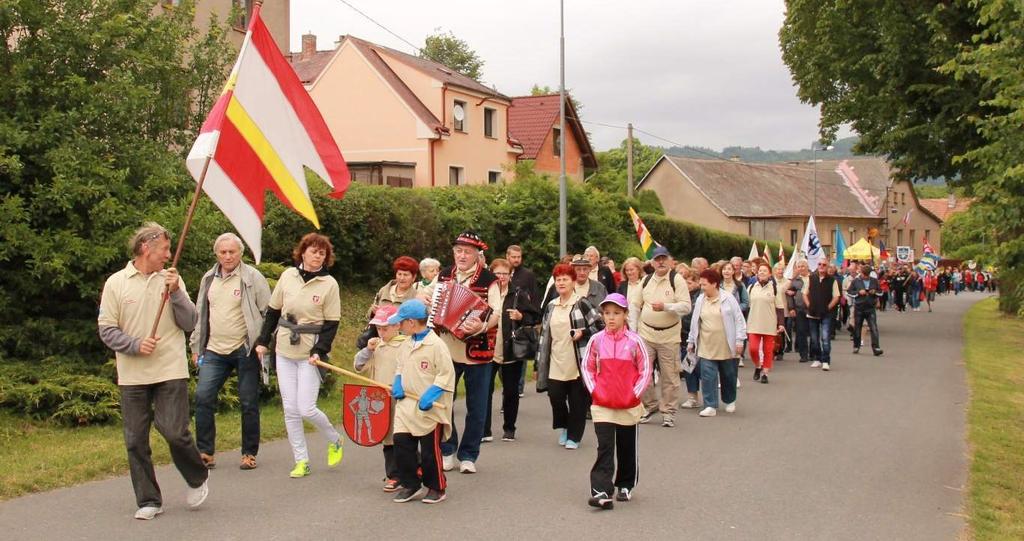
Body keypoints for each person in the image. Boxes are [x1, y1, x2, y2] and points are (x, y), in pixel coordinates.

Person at [97, 223, 208, 520]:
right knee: (135, 440)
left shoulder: (172, 280)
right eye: (165, 250)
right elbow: (106, 330)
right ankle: (149, 500)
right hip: (132, 374)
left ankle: (197, 477)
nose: (169, 256)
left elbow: (190, 322)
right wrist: (134, 344)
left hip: (170, 368)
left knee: (173, 430)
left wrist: (175, 293)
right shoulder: (116, 283)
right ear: (146, 248)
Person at [255, 233, 344, 478]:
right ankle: (301, 460)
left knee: (306, 408)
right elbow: (273, 312)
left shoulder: (329, 284)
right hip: (284, 348)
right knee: (290, 410)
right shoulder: (288, 276)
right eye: (314, 251)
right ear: (303, 252)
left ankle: (334, 439)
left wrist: (319, 350)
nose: (318, 256)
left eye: (322, 253)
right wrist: (263, 340)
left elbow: (331, 323)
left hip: (309, 352)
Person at [190, 232, 271, 471]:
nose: (227, 256)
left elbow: (269, 312)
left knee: (248, 402)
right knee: (203, 398)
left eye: (232, 252)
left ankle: (249, 453)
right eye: (223, 252)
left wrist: (262, 343)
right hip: (214, 350)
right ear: (216, 254)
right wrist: (196, 347)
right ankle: (205, 452)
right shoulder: (208, 279)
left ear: (240, 253)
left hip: (244, 349)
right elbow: (199, 315)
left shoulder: (252, 277)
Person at [425, 231, 500, 474]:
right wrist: (429, 303)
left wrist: (482, 326)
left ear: (478, 255)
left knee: (477, 407)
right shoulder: (445, 274)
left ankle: (469, 455)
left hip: (477, 351)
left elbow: (496, 312)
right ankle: (448, 449)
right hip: (446, 348)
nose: (462, 255)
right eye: (458, 250)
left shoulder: (489, 279)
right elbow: (432, 300)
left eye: (467, 251)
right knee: (443, 402)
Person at [581, 293, 652, 510]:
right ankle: (601, 490)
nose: (611, 318)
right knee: (604, 447)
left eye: (617, 313)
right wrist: (596, 391)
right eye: (607, 313)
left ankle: (625, 483)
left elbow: (645, 369)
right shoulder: (596, 340)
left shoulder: (635, 341)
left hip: (628, 404)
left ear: (625, 315)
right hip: (603, 403)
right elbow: (587, 367)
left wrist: (635, 393)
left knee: (626, 445)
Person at [388, 299, 455, 504]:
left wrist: (432, 393)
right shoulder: (406, 343)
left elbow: (446, 374)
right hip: (406, 405)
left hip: (428, 407)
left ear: (411, 322)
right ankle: (410, 483)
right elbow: (400, 366)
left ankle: (436, 486)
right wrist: (398, 381)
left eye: (400, 322)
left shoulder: (436, 345)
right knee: (401, 443)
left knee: (429, 451)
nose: (398, 326)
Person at [536, 263, 604, 449]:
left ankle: (574, 436)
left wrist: (583, 332)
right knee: (555, 397)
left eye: (565, 279)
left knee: (577, 402)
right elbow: (544, 336)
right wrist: (539, 362)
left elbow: (599, 327)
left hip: (578, 361)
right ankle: (564, 426)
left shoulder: (582, 303)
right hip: (556, 360)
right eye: (558, 280)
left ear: (573, 282)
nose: (561, 283)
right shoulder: (551, 306)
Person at [631, 246, 690, 428]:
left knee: (670, 376)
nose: (661, 262)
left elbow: (686, 307)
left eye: (664, 258)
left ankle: (668, 411)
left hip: (669, 335)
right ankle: (650, 406)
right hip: (646, 334)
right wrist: (633, 333)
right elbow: (634, 305)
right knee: (643, 374)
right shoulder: (646, 280)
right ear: (652, 262)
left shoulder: (676, 280)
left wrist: (666, 307)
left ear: (670, 261)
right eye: (657, 259)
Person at [483, 258, 540, 442]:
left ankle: (509, 428)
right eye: (497, 273)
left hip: (511, 350)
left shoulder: (518, 294)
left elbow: (534, 315)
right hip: (487, 349)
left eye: (505, 274)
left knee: (510, 391)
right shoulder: (485, 294)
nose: (501, 277)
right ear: (491, 274)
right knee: (485, 390)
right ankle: (485, 430)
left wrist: (521, 315)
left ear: (510, 275)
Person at [353, 304, 407, 491]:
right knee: (387, 437)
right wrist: (367, 350)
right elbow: (358, 366)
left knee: (402, 437)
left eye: (385, 328)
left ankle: (413, 469)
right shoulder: (376, 347)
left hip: (400, 399)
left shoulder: (405, 345)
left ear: (397, 326)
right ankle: (393, 475)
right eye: (378, 328)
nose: (381, 332)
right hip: (380, 400)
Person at [687, 269, 746, 417]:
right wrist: (691, 340)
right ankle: (710, 405)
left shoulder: (728, 299)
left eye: (704, 284)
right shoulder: (700, 299)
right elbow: (695, 321)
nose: (702, 287)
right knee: (708, 376)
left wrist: (739, 340)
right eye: (700, 284)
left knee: (728, 374)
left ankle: (730, 400)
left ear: (714, 284)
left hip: (726, 344)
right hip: (707, 344)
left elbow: (739, 320)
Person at [506, 244, 541, 397]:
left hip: (521, 322)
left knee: (519, 354)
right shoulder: (501, 273)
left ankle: (517, 389)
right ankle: (510, 391)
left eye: (519, 257)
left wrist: (530, 319)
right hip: (504, 322)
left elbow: (534, 299)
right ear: (507, 256)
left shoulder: (528, 275)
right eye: (513, 257)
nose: (516, 260)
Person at [746, 262, 785, 384]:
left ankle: (765, 373)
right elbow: (746, 305)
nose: (762, 272)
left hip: (769, 324)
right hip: (753, 323)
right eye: (760, 271)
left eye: (764, 271)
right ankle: (758, 365)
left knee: (768, 350)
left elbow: (779, 307)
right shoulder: (752, 287)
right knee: (753, 349)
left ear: (769, 274)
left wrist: (781, 323)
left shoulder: (774, 288)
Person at [802, 260, 840, 371]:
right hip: (812, 313)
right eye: (819, 264)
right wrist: (809, 305)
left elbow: (836, 296)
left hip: (826, 314)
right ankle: (817, 358)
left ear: (828, 267)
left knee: (825, 338)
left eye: (824, 265)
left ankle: (826, 360)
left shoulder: (832, 280)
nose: (821, 266)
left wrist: (827, 307)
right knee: (814, 338)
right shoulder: (811, 278)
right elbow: (804, 293)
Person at [368, 256, 422, 320]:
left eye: (405, 275)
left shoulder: (415, 298)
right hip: (379, 329)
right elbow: (369, 316)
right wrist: (373, 312)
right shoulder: (384, 290)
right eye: (399, 274)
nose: (402, 278)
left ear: (413, 277)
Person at [679, 268, 703, 409]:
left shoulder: (701, 296)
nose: (687, 285)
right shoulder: (681, 296)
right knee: (689, 368)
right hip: (684, 337)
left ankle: (709, 396)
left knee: (702, 369)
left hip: (699, 337)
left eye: (689, 282)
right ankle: (692, 397)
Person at [848, 265, 884, 356]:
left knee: (874, 328)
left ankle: (876, 347)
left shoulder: (874, 281)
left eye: (868, 275)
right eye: (865, 275)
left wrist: (874, 292)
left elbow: (881, 292)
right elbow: (849, 292)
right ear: (861, 274)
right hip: (859, 307)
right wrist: (858, 293)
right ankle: (856, 346)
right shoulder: (856, 281)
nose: (866, 277)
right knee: (857, 328)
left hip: (870, 308)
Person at [786, 259, 811, 362]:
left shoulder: (813, 278)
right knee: (801, 332)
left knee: (813, 332)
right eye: (799, 266)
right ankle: (803, 354)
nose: (801, 268)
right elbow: (789, 295)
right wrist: (791, 308)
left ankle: (814, 353)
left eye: (802, 266)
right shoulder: (795, 281)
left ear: (807, 266)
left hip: (812, 309)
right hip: (799, 309)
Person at [615, 257, 645, 331]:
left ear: (638, 269)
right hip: (626, 324)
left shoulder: (645, 284)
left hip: (643, 324)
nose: (629, 272)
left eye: (631, 270)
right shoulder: (621, 286)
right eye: (627, 270)